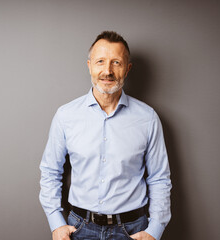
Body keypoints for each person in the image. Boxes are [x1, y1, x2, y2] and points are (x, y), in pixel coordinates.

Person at [39, 31, 171, 240]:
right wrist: (56, 222)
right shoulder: (66, 116)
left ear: (127, 69)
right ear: (90, 65)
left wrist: (154, 230)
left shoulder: (148, 118)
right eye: (100, 61)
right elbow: (50, 172)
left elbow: (159, 178)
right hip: (79, 229)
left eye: (116, 63)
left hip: (133, 231)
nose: (107, 71)